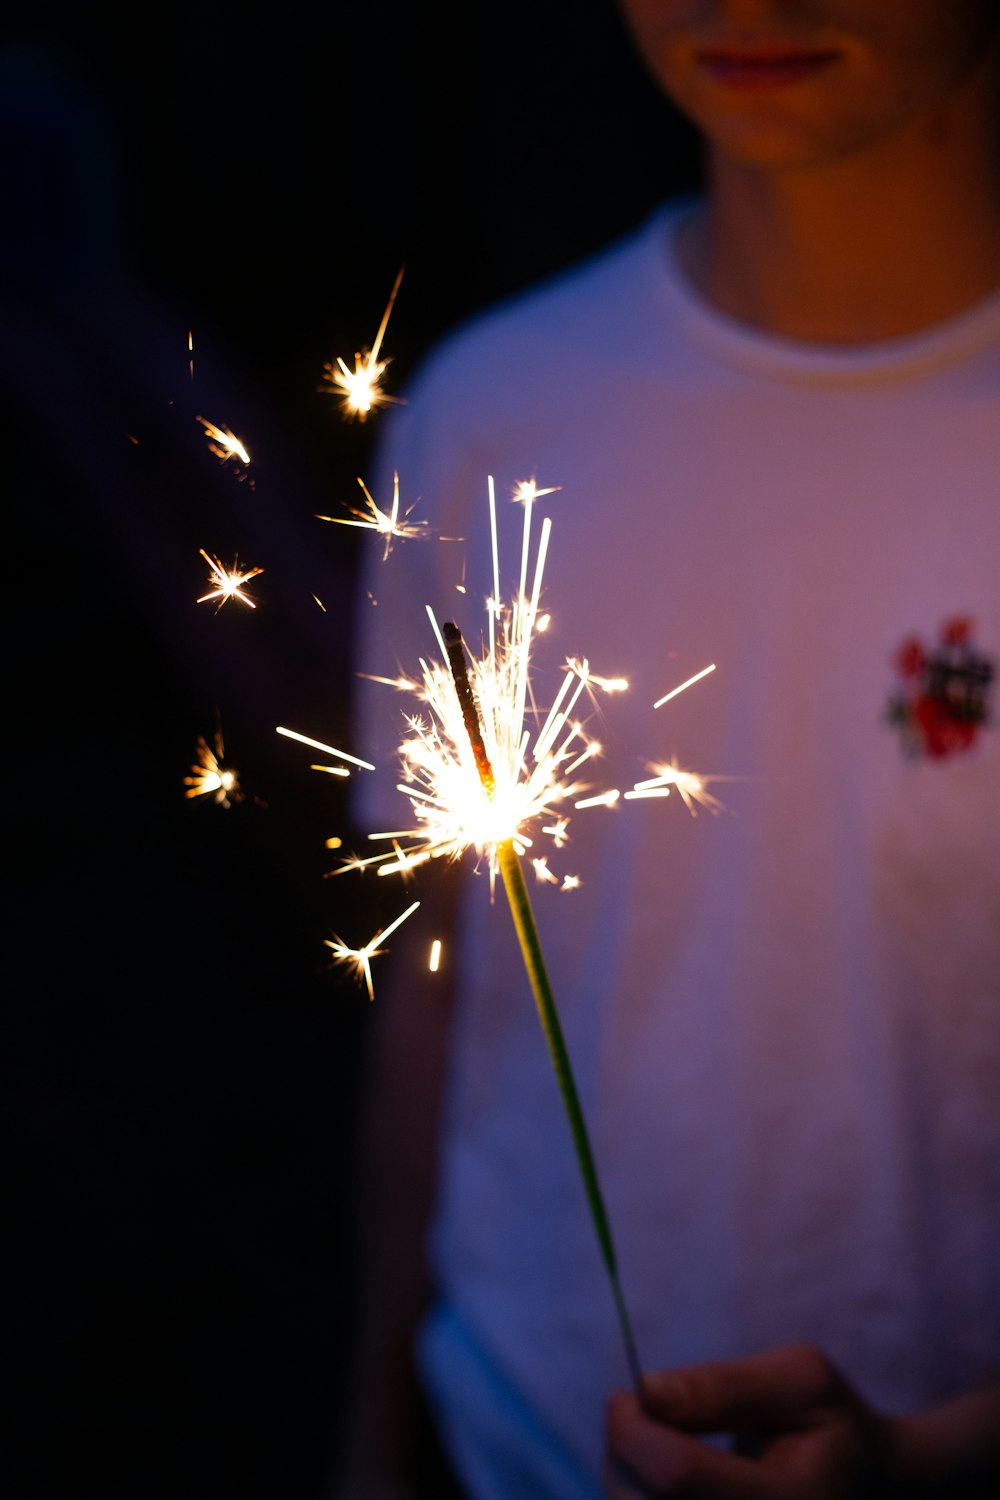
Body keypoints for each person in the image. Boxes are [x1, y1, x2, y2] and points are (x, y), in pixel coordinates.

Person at [338, 3, 1000, 1497]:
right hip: (509, 1444)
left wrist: (944, 1458)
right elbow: (446, 995)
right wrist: (376, 1432)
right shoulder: (489, 416)